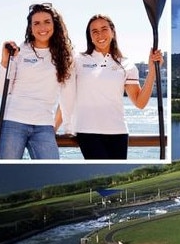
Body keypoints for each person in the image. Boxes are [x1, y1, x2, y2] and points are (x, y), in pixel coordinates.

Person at [61, 14, 164, 159]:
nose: (100, 35)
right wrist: (54, 127)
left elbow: (140, 102)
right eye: (94, 31)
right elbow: (67, 96)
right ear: (89, 36)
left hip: (119, 132)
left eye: (104, 29)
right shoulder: (77, 61)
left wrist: (152, 71)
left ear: (112, 32)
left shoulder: (126, 65)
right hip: (88, 131)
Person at [0, 3, 73, 159]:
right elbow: (0, 91)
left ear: (55, 24)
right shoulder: (19, 52)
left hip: (44, 127)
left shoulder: (65, 57)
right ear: (30, 27)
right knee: (6, 171)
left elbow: (67, 97)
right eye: (36, 23)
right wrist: (4, 61)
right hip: (12, 122)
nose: (42, 27)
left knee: (51, 172)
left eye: (47, 21)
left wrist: (53, 127)